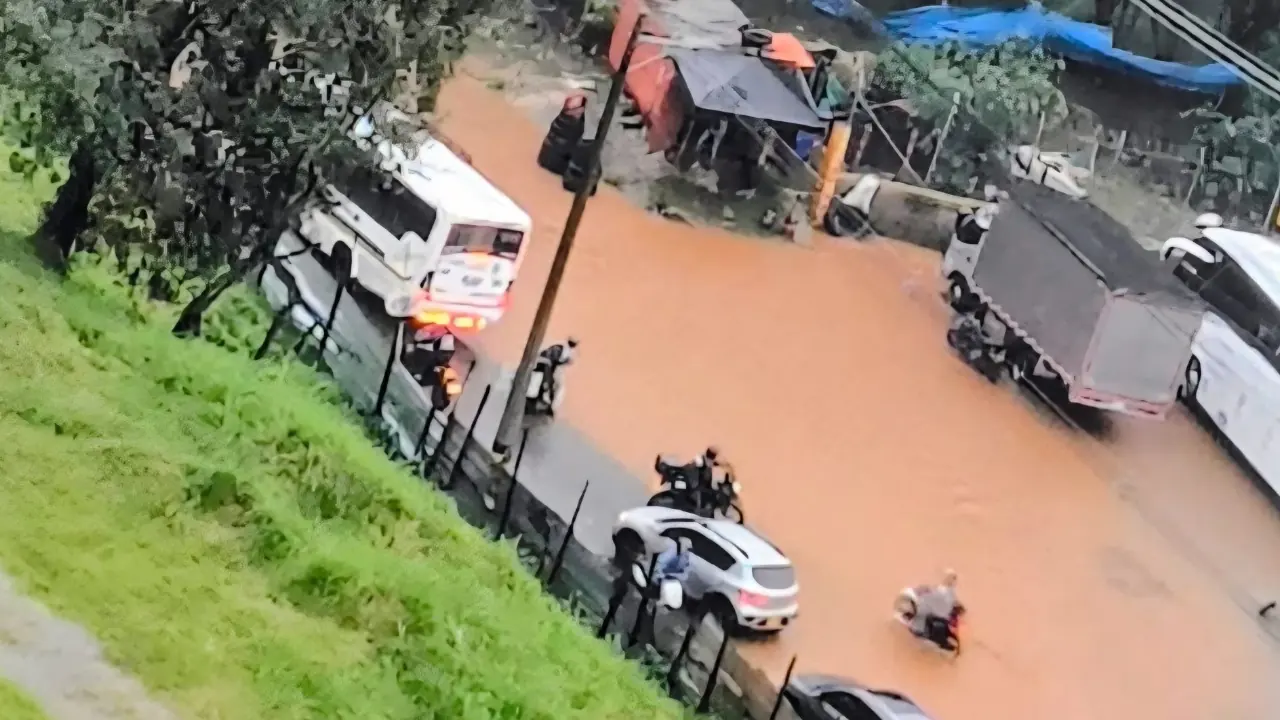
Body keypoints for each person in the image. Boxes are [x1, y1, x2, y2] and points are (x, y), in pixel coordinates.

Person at [913, 569, 960, 646]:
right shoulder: (949, 590)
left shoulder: (945, 591)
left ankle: (922, 633)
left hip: (940, 614)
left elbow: (935, 596)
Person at [534, 337, 577, 417]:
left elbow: (557, 362)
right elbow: (554, 360)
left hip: (549, 367)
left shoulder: (566, 351)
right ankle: (544, 403)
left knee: (551, 385)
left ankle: (546, 403)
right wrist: (565, 362)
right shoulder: (559, 349)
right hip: (546, 365)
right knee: (548, 384)